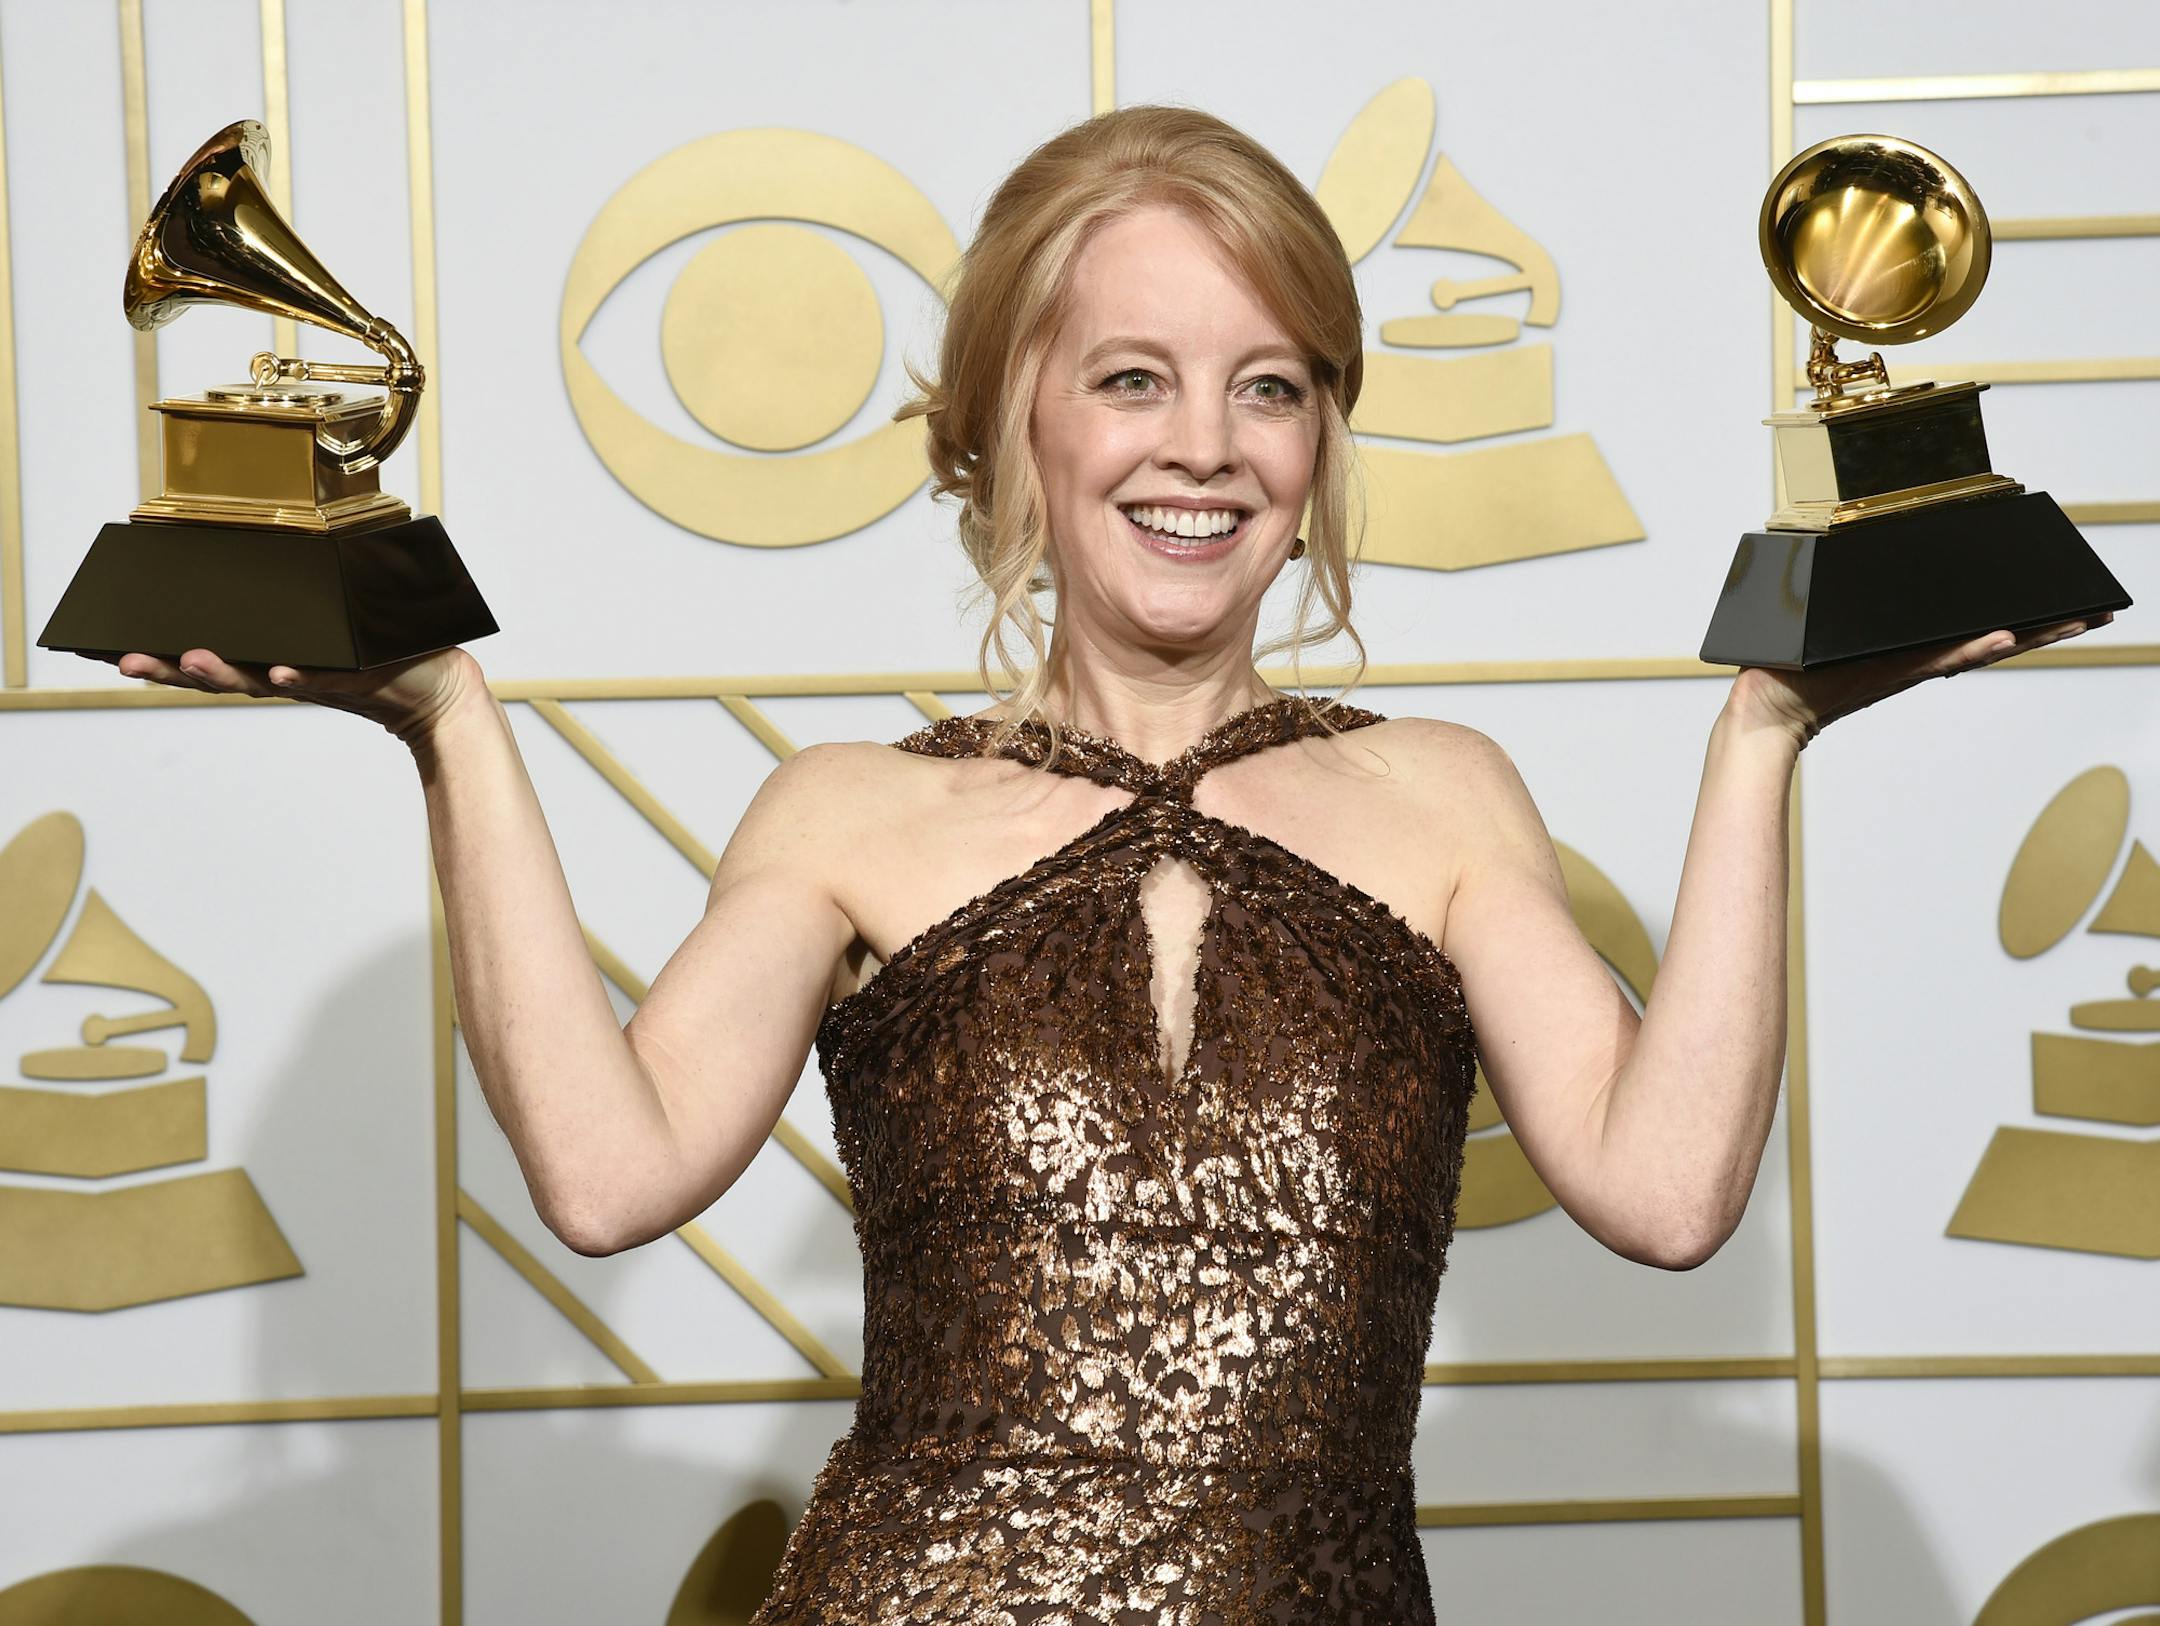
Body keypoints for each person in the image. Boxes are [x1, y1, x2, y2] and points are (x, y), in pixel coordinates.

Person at [105, 106, 2107, 1621]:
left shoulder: (1443, 798)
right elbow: (609, 1172)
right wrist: (448, 722)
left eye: (1272, 385)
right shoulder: (849, 816)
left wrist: (1767, 736)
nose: (1206, 446)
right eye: (1132, 376)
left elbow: (1667, 1195)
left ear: (1324, 435)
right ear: (1013, 423)